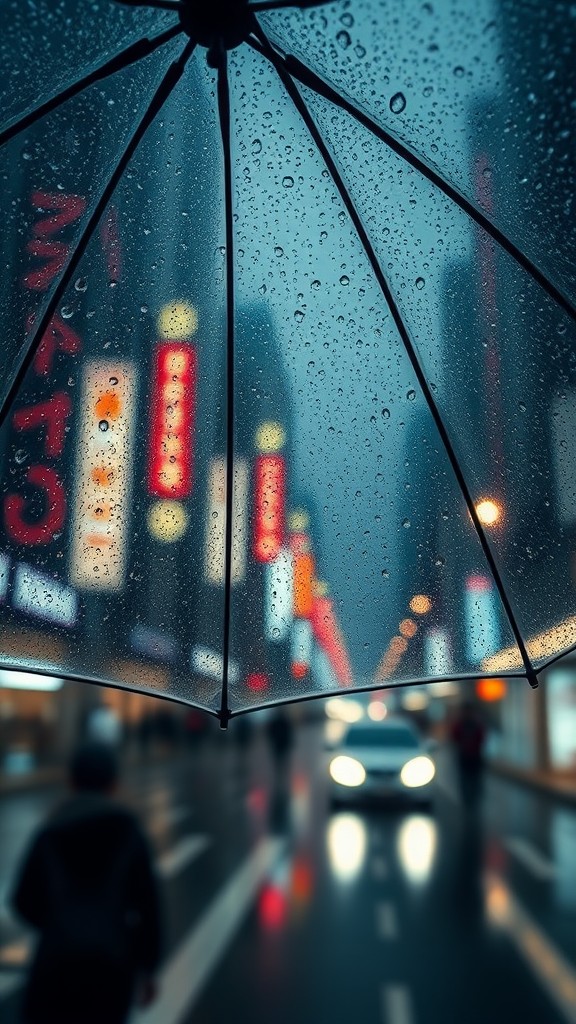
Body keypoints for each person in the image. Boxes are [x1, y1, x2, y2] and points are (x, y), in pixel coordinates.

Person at [11, 741, 162, 1024]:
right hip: (111, 964)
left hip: (55, 962)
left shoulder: (50, 830)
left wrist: (58, 920)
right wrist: (148, 969)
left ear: (71, 781)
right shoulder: (129, 832)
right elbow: (148, 908)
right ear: (113, 784)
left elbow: (22, 900)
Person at [449, 702, 487, 807]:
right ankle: (469, 800)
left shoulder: (475, 724)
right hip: (466, 756)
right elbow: (454, 737)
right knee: (467, 780)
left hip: (473, 756)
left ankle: (472, 799)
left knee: (473, 780)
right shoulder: (461, 724)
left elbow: (482, 738)